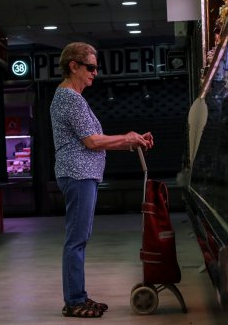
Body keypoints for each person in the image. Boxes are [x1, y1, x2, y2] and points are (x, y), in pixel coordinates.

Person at [50, 42, 154, 318]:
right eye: (91, 67)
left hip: (82, 174)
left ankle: (78, 296)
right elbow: (93, 141)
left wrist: (133, 142)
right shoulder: (69, 98)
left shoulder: (73, 98)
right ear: (74, 66)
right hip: (78, 174)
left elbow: (96, 143)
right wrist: (128, 138)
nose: (95, 73)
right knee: (76, 240)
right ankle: (74, 301)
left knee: (79, 238)